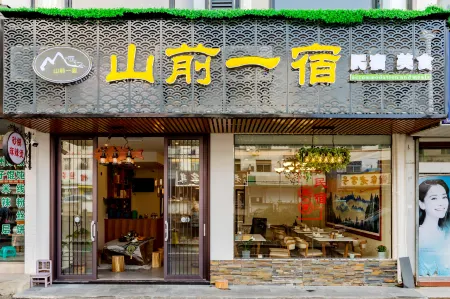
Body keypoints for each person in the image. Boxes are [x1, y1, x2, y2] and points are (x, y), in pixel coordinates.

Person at [418, 179, 450, 277]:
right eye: (434, 198)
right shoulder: (418, 234)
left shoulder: (446, 232)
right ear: (422, 204)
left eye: (444, 197)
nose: (441, 203)